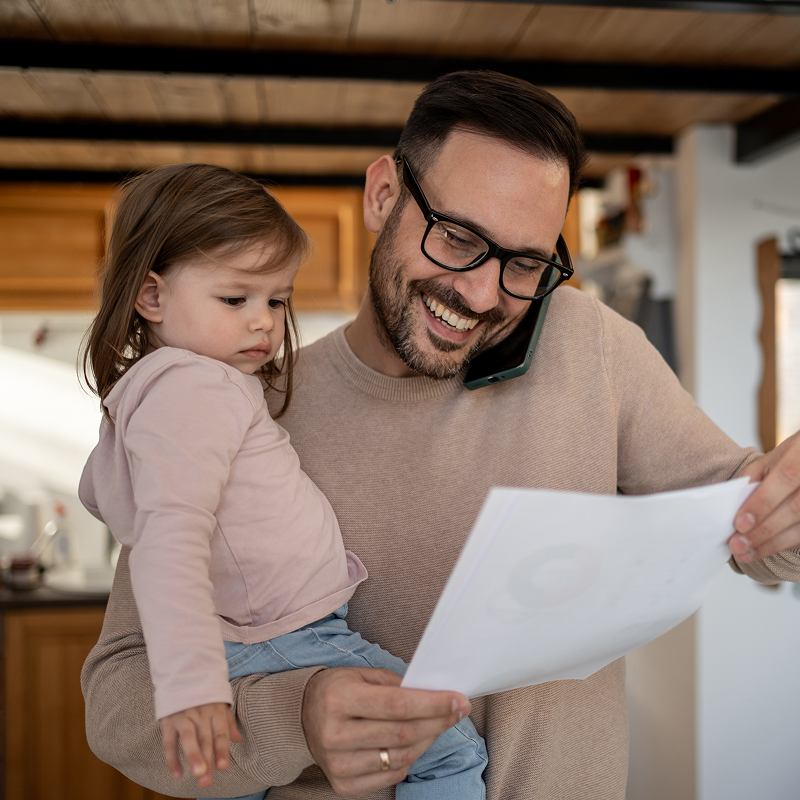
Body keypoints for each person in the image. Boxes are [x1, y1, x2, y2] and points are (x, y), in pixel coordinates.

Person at [81, 72, 800, 800]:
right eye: (458, 237)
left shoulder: (590, 348)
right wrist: (294, 717)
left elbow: (753, 520)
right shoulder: (244, 405)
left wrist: (788, 509)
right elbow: (119, 700)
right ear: (383, 195)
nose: (483, 295)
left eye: (524, 264)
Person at [77, 162, 487, 800]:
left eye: (276, 300)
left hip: (260, 639)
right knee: (449, 749)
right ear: (152, 297)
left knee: (238, 782)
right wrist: (194, 686)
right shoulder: (193, 388)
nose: (264, 322)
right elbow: (170, 539)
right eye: (235, 299)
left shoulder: (170, 393)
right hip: (281, 639)